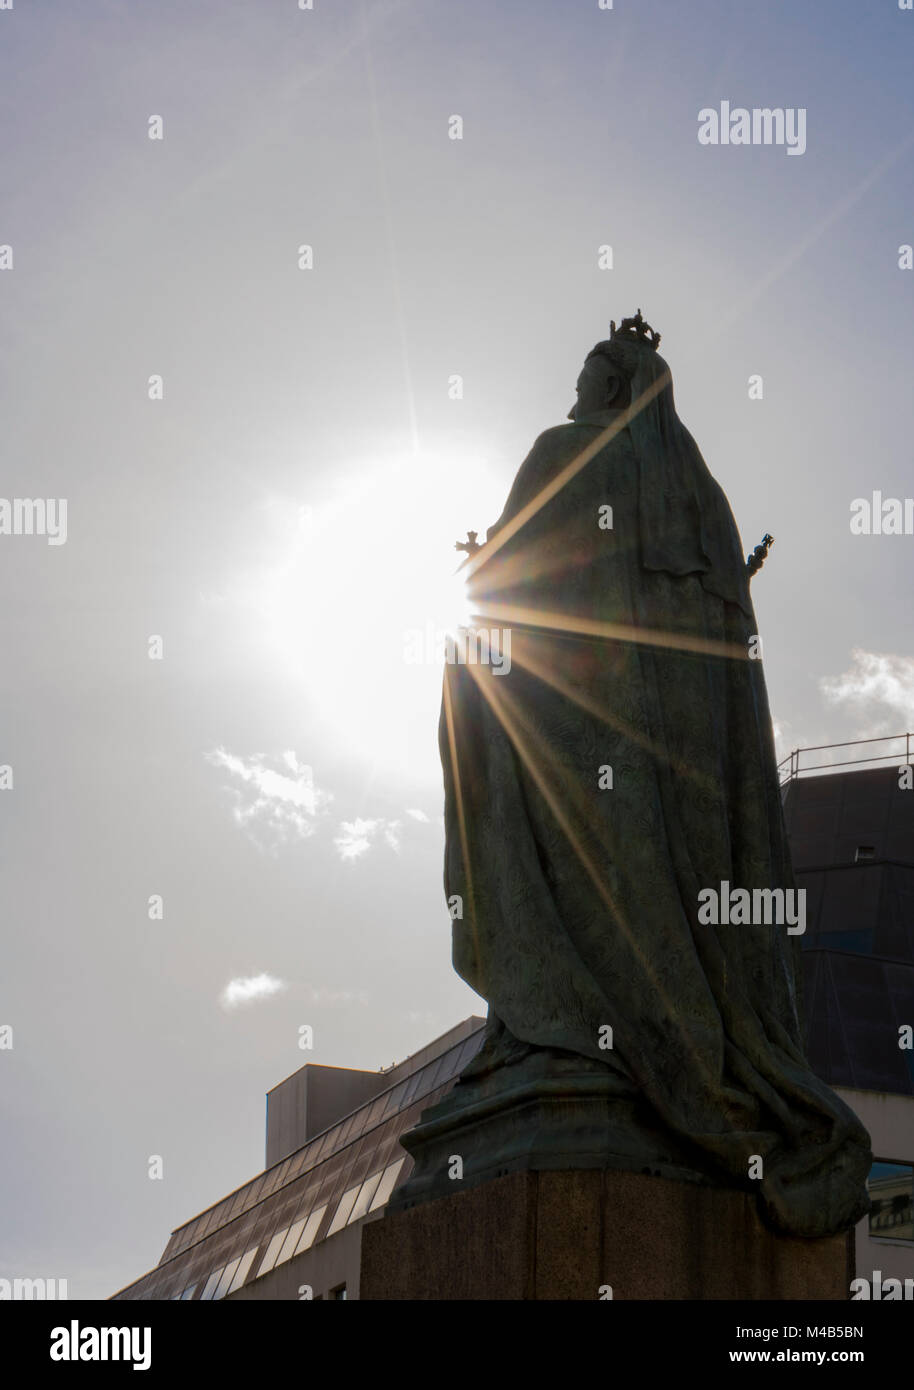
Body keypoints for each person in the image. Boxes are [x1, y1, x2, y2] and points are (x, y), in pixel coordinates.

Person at [438, 313, 871, 1238]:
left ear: (608, 389)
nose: (577, 393)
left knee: (581, 883)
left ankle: (577, 1031)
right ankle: (678, 1045)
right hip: (687, 767)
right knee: (666, 899)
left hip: (579, 730)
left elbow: (511, 597)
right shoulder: (700, 502)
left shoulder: (562, 449)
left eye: (589, 376)